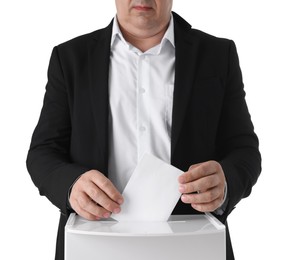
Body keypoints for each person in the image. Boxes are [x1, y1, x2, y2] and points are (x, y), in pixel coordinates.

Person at [26, 1, 261, 259]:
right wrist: (71, 185)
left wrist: (224, 183)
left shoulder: (217, 54)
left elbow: (244, 150)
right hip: (92, 243)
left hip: (194, 244)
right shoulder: (70, 57)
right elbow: (43, 152)